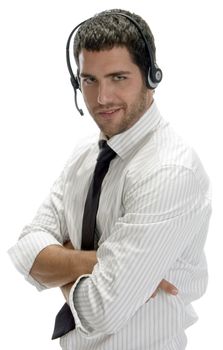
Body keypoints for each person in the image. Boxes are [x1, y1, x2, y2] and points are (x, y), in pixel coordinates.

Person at [8, 8, 212, 350]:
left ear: (151, 77)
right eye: (89, 80)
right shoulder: (85, 154)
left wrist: (63, 259)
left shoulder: (168, 170)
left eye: (118, 78)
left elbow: (99, 311)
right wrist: (101, 261)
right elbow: (29, 254)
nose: (102, 98)